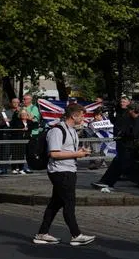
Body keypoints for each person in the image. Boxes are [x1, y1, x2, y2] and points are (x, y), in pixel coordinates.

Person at [34, 103, 95, 246]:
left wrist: (80, 151)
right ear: (73, 116)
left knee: (56, 203)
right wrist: (77, 154)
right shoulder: (57, 131)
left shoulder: (72, 130)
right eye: (82, 115)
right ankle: (76, 235)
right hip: (60, 171)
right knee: (69, 202)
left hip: (69, 169)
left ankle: (42, 234)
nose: (83, 118)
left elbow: (66, 149)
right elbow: (54, 153)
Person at [92, 101, 139, 192]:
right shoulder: (131, 119)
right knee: (117, 164)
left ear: (133, 110)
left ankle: (107, 182)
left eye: (129, 110)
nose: (128, 111)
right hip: (125, 145)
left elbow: (134, 134)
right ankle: (105, 181)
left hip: (129, 146)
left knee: (118, 165)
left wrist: (123, 133)